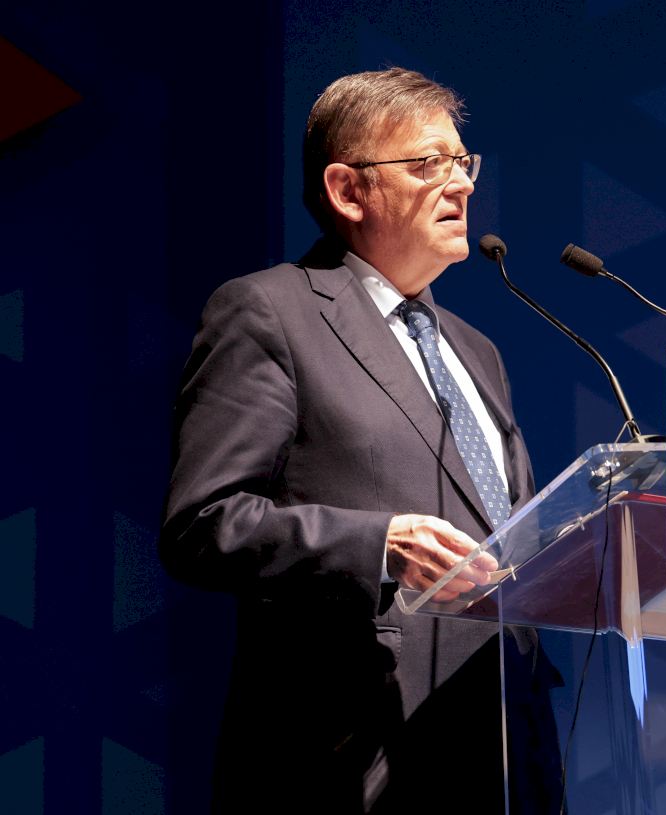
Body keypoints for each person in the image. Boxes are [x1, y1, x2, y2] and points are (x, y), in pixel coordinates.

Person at [160, 68, 559, 813]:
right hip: (354, 753)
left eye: (463, 162)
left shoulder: (477, 352)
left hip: (505, 749)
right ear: (348, 190)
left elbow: (515, 536)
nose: (461, 184)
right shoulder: (270, 312)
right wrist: (380, 545)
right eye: (428, 163)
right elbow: (204, 524)